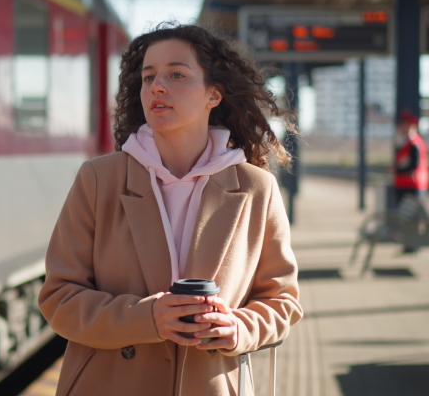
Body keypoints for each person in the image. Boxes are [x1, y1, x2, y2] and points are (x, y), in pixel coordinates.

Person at [38, 23, 303, 396]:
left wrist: (238, 328)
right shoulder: (99, 179)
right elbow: (58, 297)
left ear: (214, 94)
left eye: (176, 74)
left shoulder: (257, 189)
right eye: (148, 77)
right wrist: (146, 318)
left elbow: (282, 302)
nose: (157, 87)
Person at [392, 110, 429, 253]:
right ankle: (409, 244)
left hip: (411, 186)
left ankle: (414, 245)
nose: (401, 128)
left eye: (405, 125)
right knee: (406, 218)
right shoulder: (405, 143)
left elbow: (412, 166)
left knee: (412, 217)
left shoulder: (414, 144)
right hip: (405, 185)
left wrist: (397, 171)